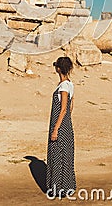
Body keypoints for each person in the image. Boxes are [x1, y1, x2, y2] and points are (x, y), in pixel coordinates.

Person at [46, 56, 76, 198]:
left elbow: (63, 108)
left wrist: (56, 128)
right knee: (66, 156)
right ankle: (66, 187)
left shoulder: (64, 86)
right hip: (66, 124)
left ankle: (58, 189)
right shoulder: (70, 85)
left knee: (57, 155)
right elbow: (71, 107)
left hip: (60, 125)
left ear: (58, 69)